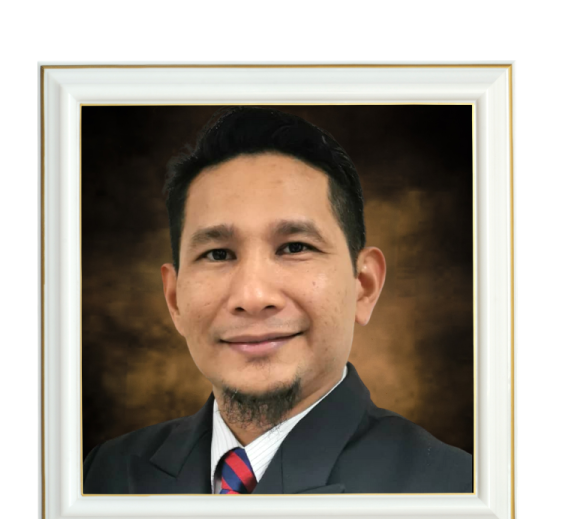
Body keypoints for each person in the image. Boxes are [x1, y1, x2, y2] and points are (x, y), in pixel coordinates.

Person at [84, 107, 472, 495]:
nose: (253, 297)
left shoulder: (453, 490)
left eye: (295, 247)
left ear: (364, 286)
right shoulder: (106, 475)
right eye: (218, 254)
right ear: (174, 299)